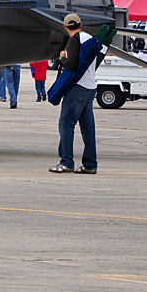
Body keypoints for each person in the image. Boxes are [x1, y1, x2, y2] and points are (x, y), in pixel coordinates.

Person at [50, 13, 102, 175]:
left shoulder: (74, 40)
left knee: (66, 124)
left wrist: (62, 59)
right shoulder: (90, 39)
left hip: (77, 88)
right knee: (88, 128)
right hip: (90, 87)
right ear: (81, 24)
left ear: (65, 27)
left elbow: (71, 65)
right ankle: (90, 164)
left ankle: (66, 161)